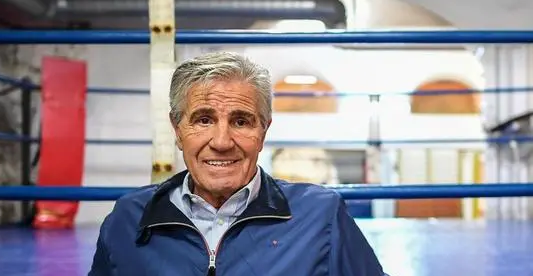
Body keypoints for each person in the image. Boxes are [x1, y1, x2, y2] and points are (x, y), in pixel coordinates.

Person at [88, 52, 388, 276]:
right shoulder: (129, 218)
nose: (221, 141)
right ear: (178, 130)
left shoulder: (320, 216)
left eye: (241, 121)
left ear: (263, 131)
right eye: (203, 120)